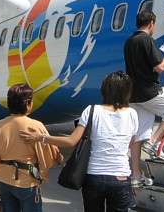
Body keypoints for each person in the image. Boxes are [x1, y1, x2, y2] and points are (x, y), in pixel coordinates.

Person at [20, 72, 138, 212]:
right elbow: (131, 144)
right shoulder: (132, 114)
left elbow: (71, 141)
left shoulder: (92, 110)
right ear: (127, 91)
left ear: (105, 89)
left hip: (94, 177)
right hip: (120, 177)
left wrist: (42, 138)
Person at [123, 10, 164, 187]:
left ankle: (136, 176)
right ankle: (154, 143)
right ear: (152, 23)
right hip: (149, 91)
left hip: (134, 94)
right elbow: (160, 67)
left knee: (138, 135)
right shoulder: (147, 40)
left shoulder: (129, 42)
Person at [0, 83, 62, 212]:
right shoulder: (36, 126)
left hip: (4, 182)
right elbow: (52, 154)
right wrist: (58, 156)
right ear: (28, 104)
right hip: (27, 183)